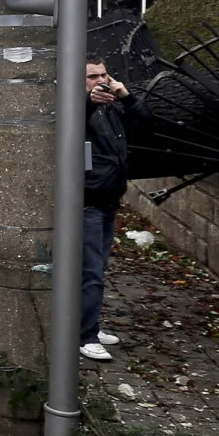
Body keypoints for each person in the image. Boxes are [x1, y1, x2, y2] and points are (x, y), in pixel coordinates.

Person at [80, 56, 150, 363]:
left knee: (98, 268)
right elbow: (74, 120)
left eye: (103, 74)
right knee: (90, 272)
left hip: (109, 198)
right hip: (88, 202)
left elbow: (148, 124)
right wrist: (89, 101)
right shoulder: (80, 107)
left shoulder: (111, 107)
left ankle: (89, 324)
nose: (99, 80)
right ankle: (86, 335)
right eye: (92, 76)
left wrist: (127, 97)